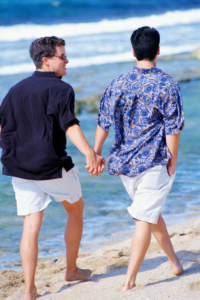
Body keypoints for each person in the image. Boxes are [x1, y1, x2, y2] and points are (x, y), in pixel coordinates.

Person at [0, 36, 104, 300]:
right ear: (46, 61)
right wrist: (90, 153)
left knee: (31, 224)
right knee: (76, 208)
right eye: (62, 56)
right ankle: (70, 270)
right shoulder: (62, 90)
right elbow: (70, 125)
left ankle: (29, 290)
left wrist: (11, 150)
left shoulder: (15, 89)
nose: (67, 60)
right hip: (50, 166)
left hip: (19, 168)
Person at [94, 26, 184, 291]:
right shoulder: (168, 83)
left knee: (146, 214)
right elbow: (173, 127)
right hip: (154, 160)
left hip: (124, 163)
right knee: (148, 216)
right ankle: (145, 274)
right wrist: (173, 158)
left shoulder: (118, 82)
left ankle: (150, 272)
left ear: (133, 51)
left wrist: (96, 152)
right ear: (158, 51)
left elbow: (103, 120)